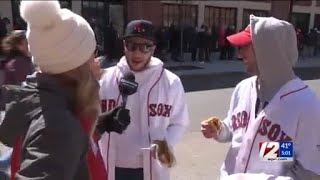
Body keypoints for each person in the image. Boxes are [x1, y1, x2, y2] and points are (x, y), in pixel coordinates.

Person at [0, 1, 130, 179]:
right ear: (78, 64)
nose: (96, 63)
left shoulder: (46, 103)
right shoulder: (58, 126)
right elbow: (56, 140)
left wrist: (99, 125)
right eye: (93, 54)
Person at [201, 15, 320, 179]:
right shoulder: (243, 88)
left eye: (245, 46)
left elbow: (310, 171)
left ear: (268, 51)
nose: (239, 52)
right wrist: (220, 129)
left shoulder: (306, 103)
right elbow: (239, 134)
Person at [99, 20, 189, 180]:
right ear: (124, 46)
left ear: (153, 48)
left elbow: (180, 122)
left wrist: (166, 144)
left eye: (145, 46)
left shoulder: (171, 82)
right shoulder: (104, 79)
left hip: (152, 167)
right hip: (110, 165)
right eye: (131, 45)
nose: (137, 53)